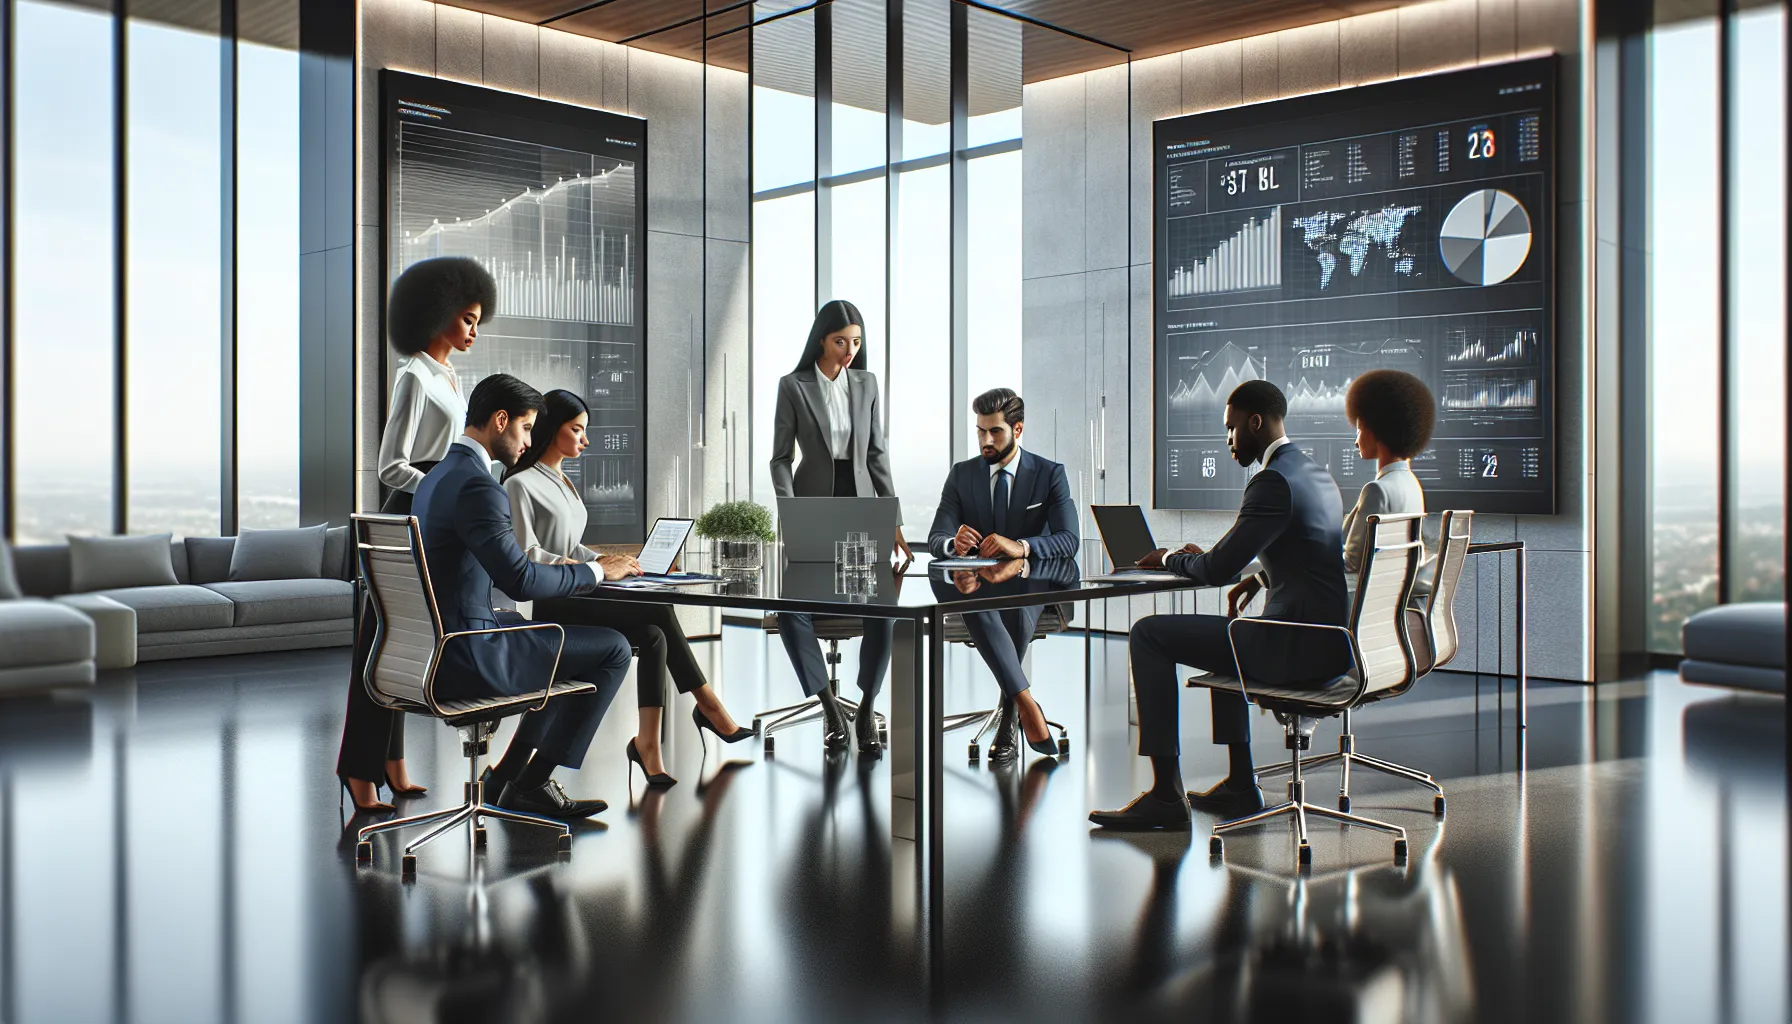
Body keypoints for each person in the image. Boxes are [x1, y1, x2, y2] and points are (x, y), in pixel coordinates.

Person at [1089, 380, 1352, 831]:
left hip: (1294, 648)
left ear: (1256, 423)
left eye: (1231, 429)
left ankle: (1165, 796)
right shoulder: (1316, 474)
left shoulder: (1271, 482)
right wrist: (1256, 576)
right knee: (1229, 630)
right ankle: (1239, 784)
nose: (1228, 440)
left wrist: (1170, 558)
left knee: (1149, 634)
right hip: (1330, 644)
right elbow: (1306, 551)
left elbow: (1214, 569)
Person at [412, 372, 639, 820]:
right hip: (466, 656)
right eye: (528, 427)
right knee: (612, 648)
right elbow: (519, 580)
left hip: (428, 650)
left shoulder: (434, 479)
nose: (529, 440)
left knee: (547, 639)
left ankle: (510, 775)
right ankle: (532, 783)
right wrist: (593, 571)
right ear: (501, 420)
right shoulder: (480, 486)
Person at [503, 389, 752, 790]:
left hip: (581, 591)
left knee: (654, 635)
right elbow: (526, 553)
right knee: (657, 612)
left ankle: (647, 744)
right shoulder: (521, 483)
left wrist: (625, 563)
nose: (585, 439)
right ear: (552, 430)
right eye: (577, 430)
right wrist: (597, 567)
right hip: (556, 602)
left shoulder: (563, 480)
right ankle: (708, 705)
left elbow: (570, 546)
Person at [336, 256, 496, 811]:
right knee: (381, 644)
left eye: (479, 320)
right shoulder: (414, 376)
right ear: (441, 312)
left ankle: (393, 762)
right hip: (408, 514)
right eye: (469, 318)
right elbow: (389, 465)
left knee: (406, 644)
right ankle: (358, 770)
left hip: (432, 515)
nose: (476, 329)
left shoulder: (451, 375)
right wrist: (437, 490)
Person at [769, 299, 912, 756]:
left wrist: (894, 520)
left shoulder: (867, 384)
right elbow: (781, 459)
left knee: (882, 606)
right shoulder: (793, 385)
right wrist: (789, 513)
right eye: (840, 341)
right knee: (793, 608)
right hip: (812, 509)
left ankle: (868, 706)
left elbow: (878, 454)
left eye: (856, 342)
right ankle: (829, 705)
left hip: (863, 509)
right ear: (821, 340)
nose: (849, 350)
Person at [925, 388, 1077, 761]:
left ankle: (1012, 709)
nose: (986, 440)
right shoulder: (962, 476)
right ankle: (1023, 702)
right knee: (972, 591)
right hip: (975, 585)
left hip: (1032, 583)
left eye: (995, 432)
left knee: (1011, 601)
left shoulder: (1049, 474)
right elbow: (936, 539)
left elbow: (1069, 539)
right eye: (980, 431)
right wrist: (953, 544)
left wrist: (1021, 546)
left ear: (1018, 429)